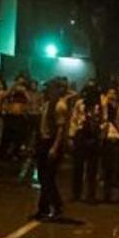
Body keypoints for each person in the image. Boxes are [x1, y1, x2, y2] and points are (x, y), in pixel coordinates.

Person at [33, 79, 67, 221]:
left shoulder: (59, 106)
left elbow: (60, 129)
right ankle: (43, 208)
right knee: (43, 177)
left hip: (51, 142)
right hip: (44, 140)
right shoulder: (48, 104)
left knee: (48, 177)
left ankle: (56, 206)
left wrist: (54, 147)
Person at [70, 82, 102, 202]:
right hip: (81, 134)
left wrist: (100, 134)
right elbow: (74, 119)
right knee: (78, 166)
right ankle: (76, 193)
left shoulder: (99, 105)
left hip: (93, 135)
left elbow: (103, 120)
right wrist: (71, 135)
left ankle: (91, 194)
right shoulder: (80, 104)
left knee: (92, 167)